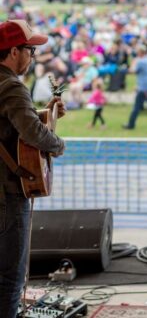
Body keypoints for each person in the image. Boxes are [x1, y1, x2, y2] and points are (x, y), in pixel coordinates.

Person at [0, 19, 66, 318]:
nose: (32, 56)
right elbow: (31, 134)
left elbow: (9, 128)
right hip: (8, 194)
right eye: (30, 49)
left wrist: (45, 115)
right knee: (10, 277)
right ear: (14, 52)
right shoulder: (12, 85)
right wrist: (57, 143)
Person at [122, 46, 147, 130]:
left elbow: (133, 71)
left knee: (137, 107)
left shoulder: (141, 62)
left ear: (140, 52)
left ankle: (131, 124)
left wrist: (125, 68)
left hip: (144, 87)